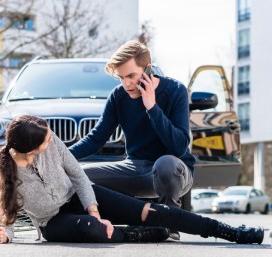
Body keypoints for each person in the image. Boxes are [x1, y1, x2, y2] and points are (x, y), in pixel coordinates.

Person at [0, 115, 264, 245]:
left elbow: (78, 175)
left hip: (80, 198)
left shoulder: (51, 143)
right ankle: (145, 235)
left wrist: (94, 210)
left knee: (154, 211)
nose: (51, 141)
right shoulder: (5, 170)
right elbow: (6, 215)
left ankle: (228, 231)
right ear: (30, 147)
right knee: (91, 229)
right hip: (53, 222)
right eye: (45, 140)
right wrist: (5, 235)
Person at [68, 41, 194, 214]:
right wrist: (60, 158)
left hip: (174, 171)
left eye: (131, 76)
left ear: (148, 69)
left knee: (165, 164)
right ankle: (97, 222)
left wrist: (152, 107)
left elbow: (179, 147)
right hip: (135, 169)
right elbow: (95, 139)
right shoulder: (118, 97)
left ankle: (169, 224)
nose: (126, 84)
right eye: (121, 78)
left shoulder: (176, 90)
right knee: (77, 175)